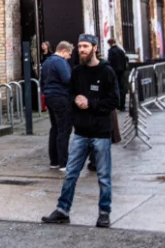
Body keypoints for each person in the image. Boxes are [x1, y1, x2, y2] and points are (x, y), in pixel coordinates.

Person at [41, 34, 117, 229]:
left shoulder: (106, 71)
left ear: (95, 48)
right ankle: (63, 210)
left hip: (100, 133)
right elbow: (70, 94)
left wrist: (90, 103)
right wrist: (75, 101)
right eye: (80, 47)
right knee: (71, 173)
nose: (82, 50)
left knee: (103, 176)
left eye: (85, 46)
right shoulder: (76, 72)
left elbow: (115, 101)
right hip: (81, 133)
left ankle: (104, 213)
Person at [41, 41, 74, 170]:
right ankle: (63, 162)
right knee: (64, 129)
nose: (70, 57)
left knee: (54, 128)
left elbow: (42, 81)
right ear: (64, 51)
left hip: (49, 97)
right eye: (69, 54)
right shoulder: (60, 61)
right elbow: (67, 79)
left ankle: (54, 161)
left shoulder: (46, 62)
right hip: (61, 97)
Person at [106, 38, 129, 113]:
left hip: (114, 72)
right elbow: (125, 60)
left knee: (115, 88)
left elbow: (109, 62)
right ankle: (122, 105)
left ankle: (117, 104)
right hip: (122, 72)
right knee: (122, 88)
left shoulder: (111, 51)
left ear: (109, 43)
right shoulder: (121, 51)